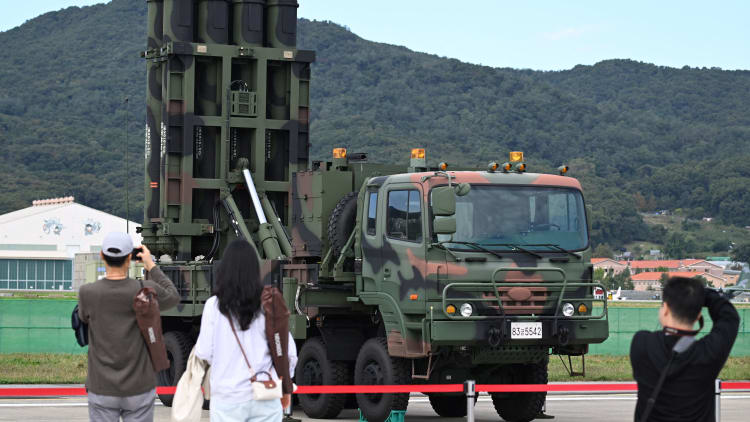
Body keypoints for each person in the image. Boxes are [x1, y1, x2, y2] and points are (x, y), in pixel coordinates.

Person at [78, 232, 179, 421]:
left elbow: (83, 318)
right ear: (129, 258)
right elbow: (173, 296)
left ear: (102, 256)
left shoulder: (87, 293)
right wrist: (151, 265)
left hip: (101, 386)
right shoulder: (145, 290)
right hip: (139, 386)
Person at [195, 239, 297, 422]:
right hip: (265, 394)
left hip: (227, 398)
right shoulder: (268, 303)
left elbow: (204, 352)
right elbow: (287, 351)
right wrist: (284, 384)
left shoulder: (213, 306)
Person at [630, 276, 740, 421]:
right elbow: (729, 317)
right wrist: (703, 295)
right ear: (698, 316)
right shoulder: (708, 353)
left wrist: (686, 296)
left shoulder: (642, 343)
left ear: (666, 309)